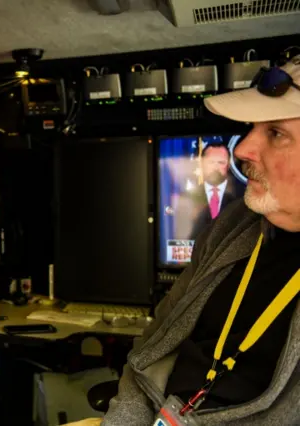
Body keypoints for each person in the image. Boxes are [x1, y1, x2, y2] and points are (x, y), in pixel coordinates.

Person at [66, 56, 300, 426]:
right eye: (253, 127)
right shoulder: (235, 225)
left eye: (275, 133)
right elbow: (154, 342)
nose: (242, 149)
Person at [175, 143, 240, 240]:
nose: (215, 167)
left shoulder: (240, 198)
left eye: (221, 162)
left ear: (228, 165)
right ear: (202, 164)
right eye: (211, 162)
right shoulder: (185, 197)